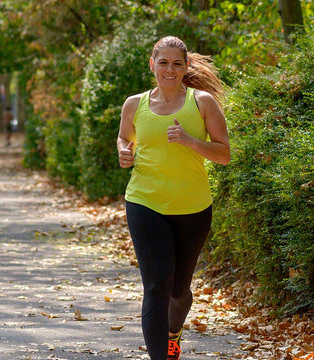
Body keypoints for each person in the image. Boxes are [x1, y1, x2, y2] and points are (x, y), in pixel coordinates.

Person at [117, 36, 230, 360]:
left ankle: (173, 333)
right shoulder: (134, 104)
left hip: (192, 207)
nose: (170, 69)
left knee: (179, 290)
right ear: (152, 65)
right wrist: (125, 152)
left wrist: (191, 141)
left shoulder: (203, 102)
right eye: (163, 62)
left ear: (186, 67)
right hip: (144, 201)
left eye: (177, 63)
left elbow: (224, 154)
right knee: (156, 286)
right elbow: (126, 137)